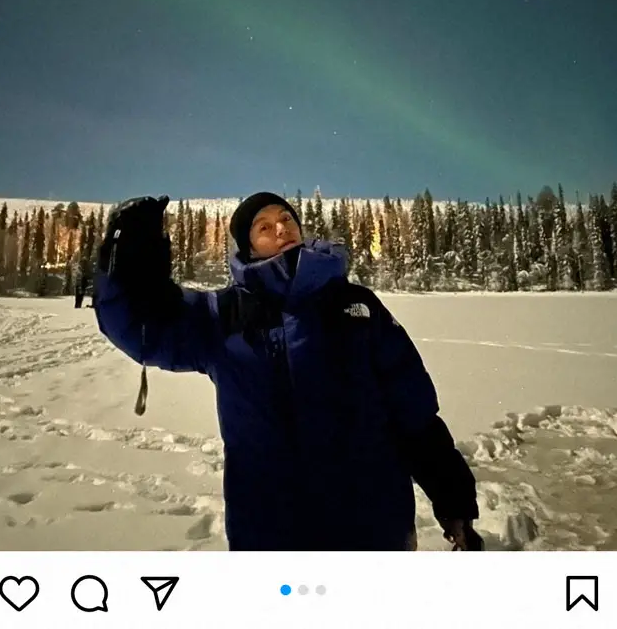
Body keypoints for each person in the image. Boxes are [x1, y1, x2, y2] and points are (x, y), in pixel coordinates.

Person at [94, 191, 483, 552]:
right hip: (270, 534)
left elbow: (412, 410)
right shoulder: (222, 315)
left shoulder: (358, 307)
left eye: (287, 220)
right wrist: (130, 257)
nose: (281, 229)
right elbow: (140, 328)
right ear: (248, 247)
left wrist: (453, 499)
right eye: (264, 227)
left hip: (374, 528)